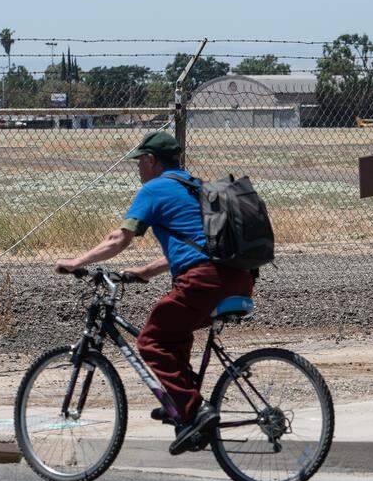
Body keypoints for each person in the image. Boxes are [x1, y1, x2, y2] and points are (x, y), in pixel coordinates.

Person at [54, 131, 254, 455]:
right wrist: (145, 272)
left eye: (140, 162)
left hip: (204, 280)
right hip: (240, 277)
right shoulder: (197, 186)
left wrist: (76, 262)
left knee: (151, 340)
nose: (138, 168)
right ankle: (181, 400)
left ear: (151, 160)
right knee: (175, 329)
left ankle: (194, 410)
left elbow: (118, 238)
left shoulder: (154, 188)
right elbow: (195, 244)